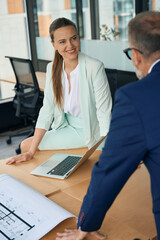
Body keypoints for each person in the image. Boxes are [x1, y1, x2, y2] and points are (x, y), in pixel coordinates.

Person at [56, 11, 160, 240]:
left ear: (136, 56)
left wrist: (86, 225)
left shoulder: (136, 97)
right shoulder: (58, 70)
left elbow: (108, 173)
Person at [6, 17, 112, 165]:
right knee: (27, 146)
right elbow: (47, 109)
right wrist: (30, 152)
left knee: (29, 146)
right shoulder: (52, 68)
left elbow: (104, 112)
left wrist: (111, 149)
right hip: (66, 126)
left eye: (73, 38)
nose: (70, 45)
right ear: (53, 44)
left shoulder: (94, 67)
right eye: (62, 41)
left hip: (89, 129)